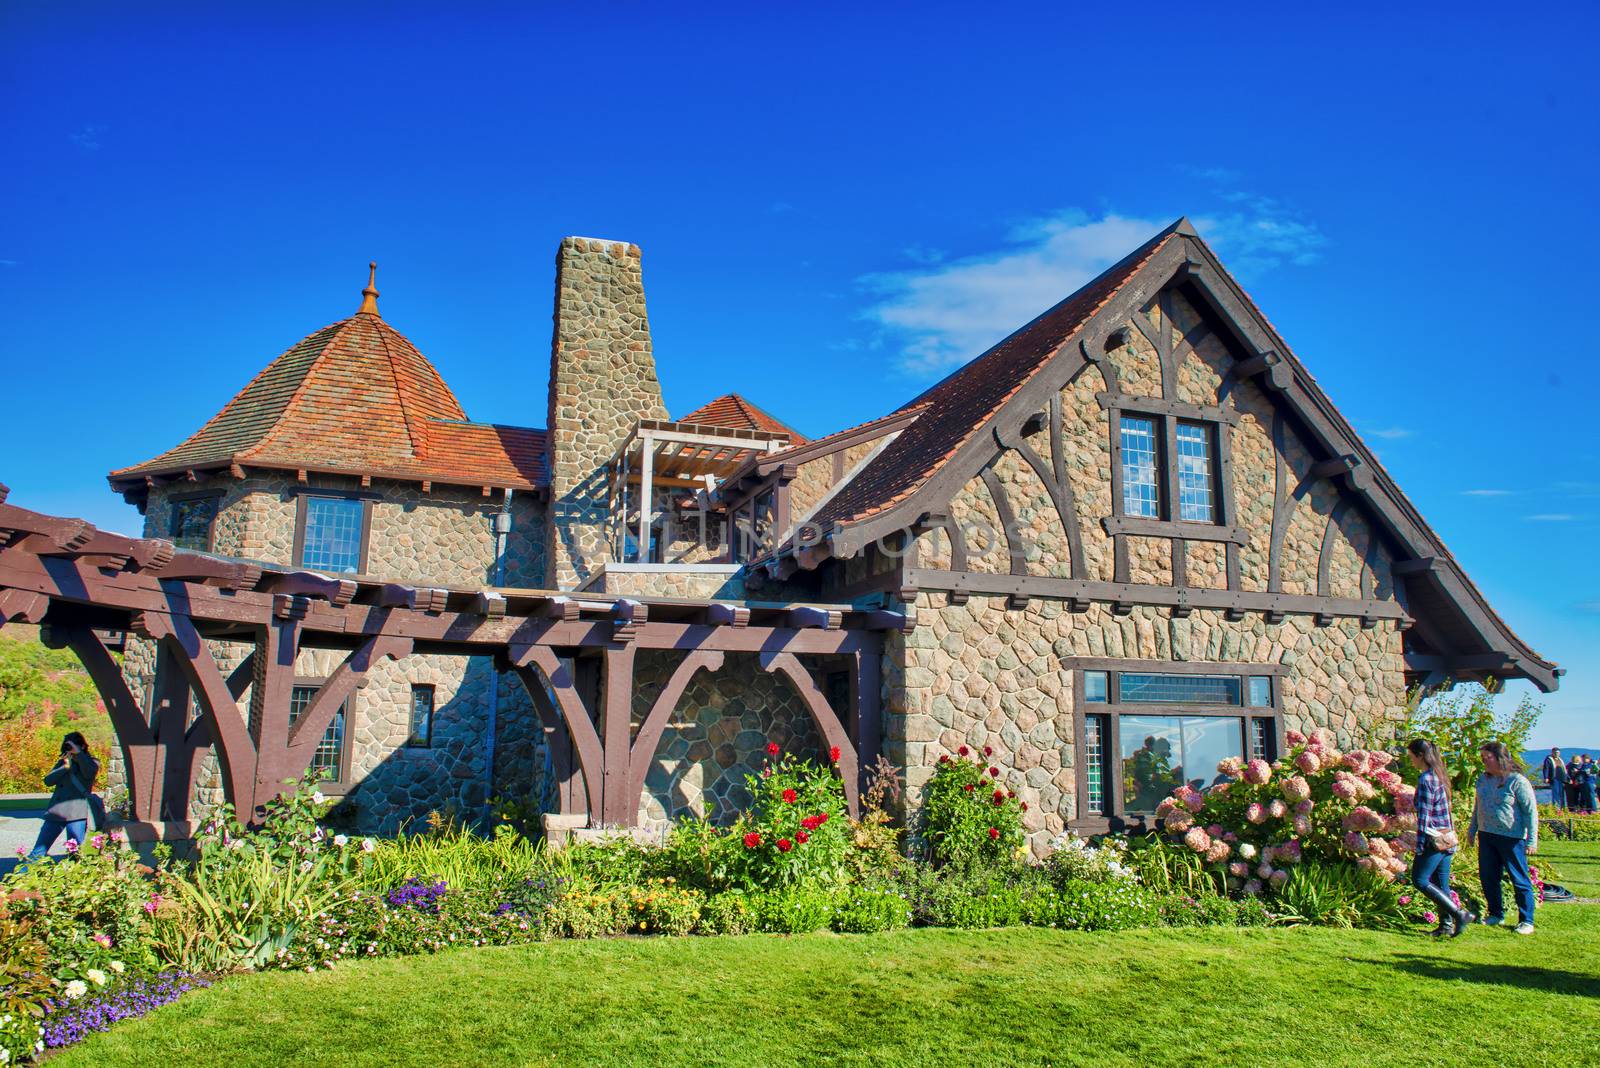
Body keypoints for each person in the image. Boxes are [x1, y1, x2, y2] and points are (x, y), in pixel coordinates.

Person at [1468, 741, 1539, 935]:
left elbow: (1530, 812)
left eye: (1487, 758)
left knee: (1519, 878)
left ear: (1500, 758)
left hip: (1512, 837)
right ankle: (1496, 913)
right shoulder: (1483, 779)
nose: (1484, 762)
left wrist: (1532, 840)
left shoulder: (1517, 781)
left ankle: (1526, 920)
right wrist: (1472, 829)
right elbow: (1478, 807)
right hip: (1487, 834)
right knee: (1488, 876)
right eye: (1482, 758)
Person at [1407, 738, 1472, 937]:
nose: (1411, 761)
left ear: (1420, 756)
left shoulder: (1426, 779)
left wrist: (1419, 846)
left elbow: (1424, 819)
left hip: (1433, 840)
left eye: (1411, 757)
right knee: (1440, 883)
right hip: (1447, 838)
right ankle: (1445, 926)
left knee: (1420, 880)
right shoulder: (1440, 776)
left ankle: (1459, 914)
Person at [27, 732, 99, 860]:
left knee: (75, 854)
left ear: (82, 746)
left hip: (77, 814)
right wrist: (65, 767)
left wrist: (79, 755)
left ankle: (73, 878)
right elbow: (48, 781)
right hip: (56, 812)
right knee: (38, 851)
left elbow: (89, 774)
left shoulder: (92, 762)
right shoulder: (63, 762)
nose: (70, 749)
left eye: (73, 746)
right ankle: (22, 877)